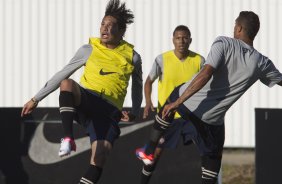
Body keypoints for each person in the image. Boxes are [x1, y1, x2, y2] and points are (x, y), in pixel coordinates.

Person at [136, 11, 282, 184]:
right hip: (212, 121)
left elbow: (206, 73)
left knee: (171, 101)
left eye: (235, 24)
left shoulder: (224, 42)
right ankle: (151, 151)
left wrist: (178, 102)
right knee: (211, 169)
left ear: (239, 28)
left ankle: (149, 149)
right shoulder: (262, 63)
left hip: (188, 104)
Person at [21, 0, 142, 183]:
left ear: (121, 30)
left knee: (99, 157)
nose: (105, 28)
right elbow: (62, 73)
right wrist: (35, 98)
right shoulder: (89, 49)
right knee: (67, 83)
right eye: (103, 23)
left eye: (110, 25)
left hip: (109, 112)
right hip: (88, 99)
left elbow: (137, 86)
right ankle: (68, 138)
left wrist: (134, 111)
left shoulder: (133, 56)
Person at [140, 25, 204, 184]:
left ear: (190, 40)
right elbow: (148, 82)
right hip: (168, 115)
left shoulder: (199, 61)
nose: (181, 41)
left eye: (184, 38)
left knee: (206, 148)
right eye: (178, 38)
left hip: (191, 115)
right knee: (154, 155)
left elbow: (206, 85)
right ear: (173, 40)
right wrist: (148, 101)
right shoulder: (162, 59)